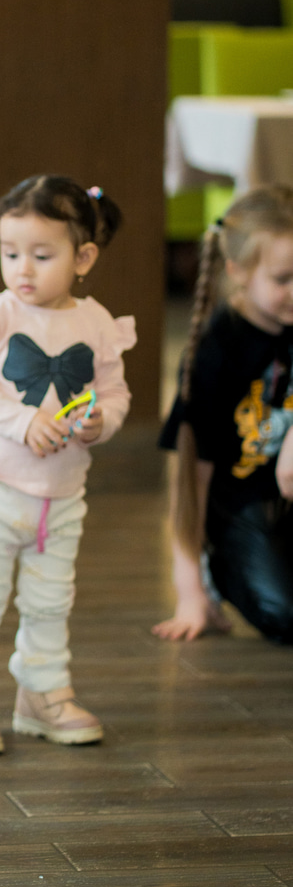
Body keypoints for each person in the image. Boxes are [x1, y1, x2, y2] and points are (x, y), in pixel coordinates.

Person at [0, 176, 136, 754]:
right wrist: (23, 421)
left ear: (84, 258)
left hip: (62, 496)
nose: (22, 269)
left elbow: (115, 392)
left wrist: (104, 421)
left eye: (42, 256)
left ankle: (42, 694)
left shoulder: (97, 322)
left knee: (51, 603)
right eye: (10, 253)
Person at [153, 186, 293, 646]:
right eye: (283, 278)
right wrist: (189, 590)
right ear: (238, 271)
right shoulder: (215, 353)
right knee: (283, 614)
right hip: (242, 507)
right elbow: (192, 483)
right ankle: (221, 572)